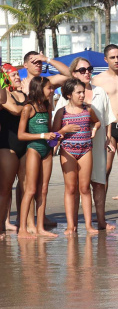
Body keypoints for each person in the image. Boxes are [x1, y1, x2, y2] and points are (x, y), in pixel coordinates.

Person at [56, 56, 115, 230]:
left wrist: (107, 138)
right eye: (82, 70)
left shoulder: (100, 92)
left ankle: (101, 221)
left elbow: (106, 119)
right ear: (74, 73)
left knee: (98, 182)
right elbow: (58, 122)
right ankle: (72, 224)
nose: (87, 72)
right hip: (73, 147)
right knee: (73, 186)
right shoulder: (66, 98)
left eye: (89, 69)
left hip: (96, 145)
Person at [51, 78, 101, 236]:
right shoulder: (62, 112)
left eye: (83, 92)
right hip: (68, 151)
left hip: (86, 150)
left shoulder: (88, 109)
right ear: (68, 95)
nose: (82, 95)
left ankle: (88, 225)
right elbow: (53, 136)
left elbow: (97, 122)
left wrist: (94, 129)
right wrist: (64, 130)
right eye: (78, 92)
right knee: (71, 188)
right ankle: (70, 225)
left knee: (85, 188)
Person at [17, 76, 58, 239]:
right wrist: (42, 135)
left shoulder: (47, 106)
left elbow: (50, 129)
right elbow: (21, 134)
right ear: (40, 89)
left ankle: (40, 227)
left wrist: (55, 137)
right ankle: (22, 229)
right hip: (33, 149)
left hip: (47, 150)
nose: (52, 90)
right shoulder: (28, 108)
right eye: (49, 88)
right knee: (31, 189)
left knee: (44, 189)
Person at [93, 44, 118, 213]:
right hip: (109, 127)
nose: (117, 60)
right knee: (105, 170)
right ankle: (101, 213)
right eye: (113, 57)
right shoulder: (98, 80)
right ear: (105, 59)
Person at [0, 64, 27, 236]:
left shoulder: (24, 94)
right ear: (6, 77)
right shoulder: (6, 95)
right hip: (7, 144)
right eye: (14, 75)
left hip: (24, 145)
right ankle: (1, 224)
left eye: (18, 74)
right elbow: (17, 110)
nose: (18, 77)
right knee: (5, 188)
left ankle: (22, 224)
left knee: (26, 186)